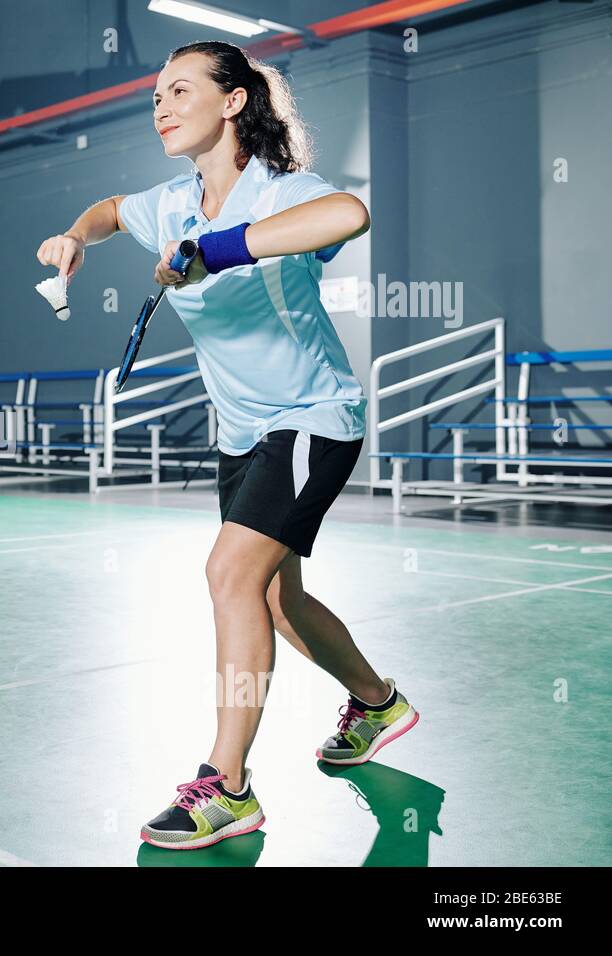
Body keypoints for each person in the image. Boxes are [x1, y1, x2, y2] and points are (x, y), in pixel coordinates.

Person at [35, 40, 418, 850]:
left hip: (314, 418)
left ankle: (227, 784)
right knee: (277, 601)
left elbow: (349, 215)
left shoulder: (285, 193)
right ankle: (378, 702)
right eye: (155, 97)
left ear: (234, 101)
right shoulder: (170, 202)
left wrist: (218, 249)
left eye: (180, 90)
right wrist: (74, 237)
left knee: (225, 574)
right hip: (242, 432)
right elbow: (108, 208)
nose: (161, 107)